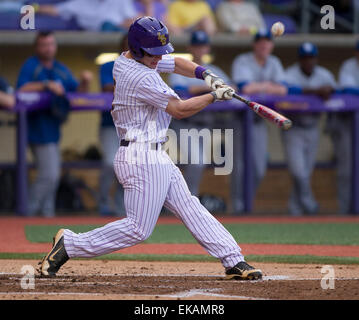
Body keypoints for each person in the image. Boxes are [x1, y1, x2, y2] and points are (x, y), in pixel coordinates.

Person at [39, 16, 262, 281]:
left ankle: (234, 260)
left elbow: (177, 62)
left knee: (190, 206)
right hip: (139, 156)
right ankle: (70, 245)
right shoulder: (139, 76)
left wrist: (206, 75)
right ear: (137, 49)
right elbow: (179, 110)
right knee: (138, 229)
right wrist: (214, 95)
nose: (158, 58)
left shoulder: (132, 57)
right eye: (153, 54)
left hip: (155, 153)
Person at [17, 31, 92, 217]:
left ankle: (46, 215)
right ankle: (28, 213)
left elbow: (78, 92)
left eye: (50, 44)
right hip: (36, 129)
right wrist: (46, 85)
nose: (47, 48)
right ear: (37, 47)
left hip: (53, 128)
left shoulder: (60, 68)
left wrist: (85, 81)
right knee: (48, 175)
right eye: (43, 44)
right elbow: (21, 88)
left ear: (55, 46)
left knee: (52, 176)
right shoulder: (31, 65)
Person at [168, 30, 240, 212]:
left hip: (206, 125)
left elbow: (232, 87)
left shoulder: (214, 71)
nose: (199, 49)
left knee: (197, 163)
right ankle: (188, 203)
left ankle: (184, 202)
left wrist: (220, 89)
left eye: (203, 45)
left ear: (207, 48)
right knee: (197, 161)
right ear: (190, 47)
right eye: (196, 45)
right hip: (183, 124)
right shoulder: (181, 67)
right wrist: (212, 90)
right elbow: (180, 89)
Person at [231, 29, 287, 213]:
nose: (264, 45)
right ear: (254, 44)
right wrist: (269, 86)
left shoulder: (275, 62)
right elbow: (244, 87)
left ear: (271, 45)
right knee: (239, 166)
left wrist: (259, 88)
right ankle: (238, 206)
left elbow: (283, 90)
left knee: (259, 168)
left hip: (259, 122)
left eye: (267, 42)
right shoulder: (242, 60)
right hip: (240, 120)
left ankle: (247, 203)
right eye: (260, 42)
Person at [283, 42, 336, 215]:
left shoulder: (324, 74)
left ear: (316, 59)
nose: (308, 61)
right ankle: (310, 204)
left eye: (311, 57)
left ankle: (295, 209)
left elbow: (336, 90)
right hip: (294, 127)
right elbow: (285, 90)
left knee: (306, 172)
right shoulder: (290, 73)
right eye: (305, 58)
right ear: (300, 60)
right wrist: (315, 91)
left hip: (313, 127)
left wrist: (328, 90)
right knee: (299, 172)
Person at [97, 35, 128, 217]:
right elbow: (108, 88)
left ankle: (120, 206)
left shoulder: (145, 68)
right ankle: (102, 201)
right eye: (126, 47)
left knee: (127, 166)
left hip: (131, 127)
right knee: (110, 162)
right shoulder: (109, 66)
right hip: (110, 124)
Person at [327, 41, 359, 214]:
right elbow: (347, 89)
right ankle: (345, 211)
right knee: (346, 169)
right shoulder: (349, 66)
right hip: (348, 123)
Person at [33, 0, 138, 32]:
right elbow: (55, 10)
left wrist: (117, 25)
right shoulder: (81, 2)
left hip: (116, 37)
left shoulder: (121, 1)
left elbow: (134, 20)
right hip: (92, 36)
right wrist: (34, 8)